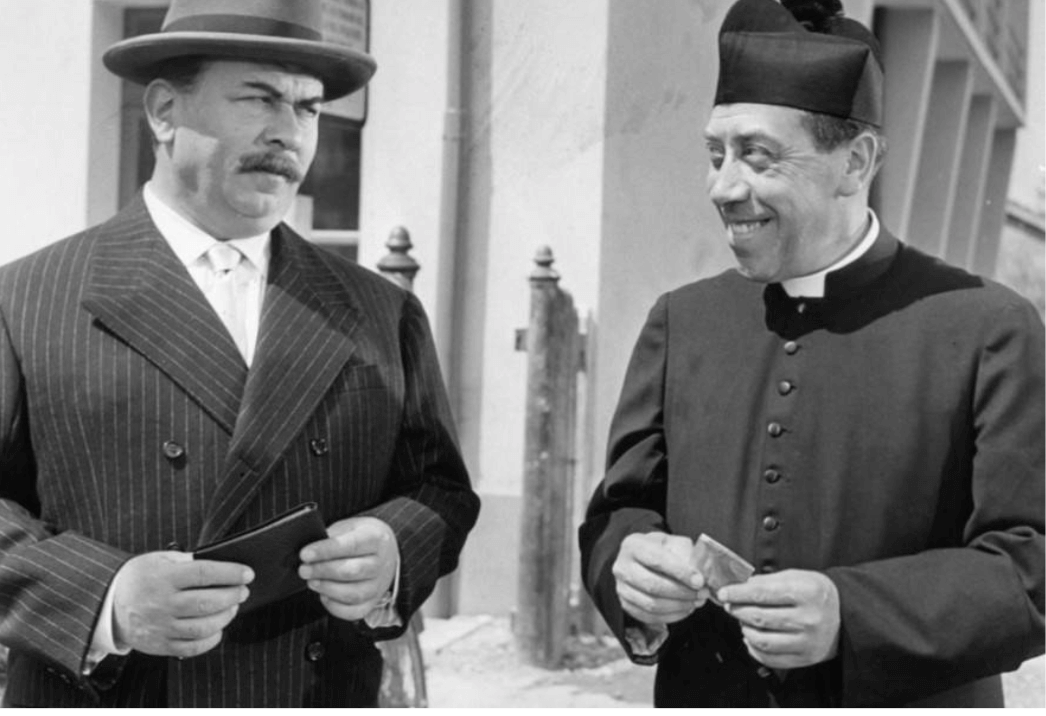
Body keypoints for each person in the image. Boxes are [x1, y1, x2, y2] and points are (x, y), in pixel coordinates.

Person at [0, 0, 479, 707]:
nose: (288, 132)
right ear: (165, 111)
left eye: (307, 108)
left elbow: (440, 489)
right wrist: (105, 598)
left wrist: (394, 547)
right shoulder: (27, 299)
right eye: (259, 98)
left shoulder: (381, 310)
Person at [579, 0, 1044, 707]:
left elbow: (1031, 567)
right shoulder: (681, 321)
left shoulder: (990, 328)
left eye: (757, 156)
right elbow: (618, 513)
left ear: (854, 163)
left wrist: (852, 614)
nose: (722, 186)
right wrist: (631, 566)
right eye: (715, 154)